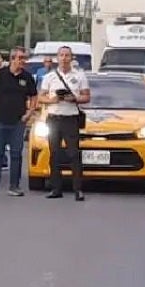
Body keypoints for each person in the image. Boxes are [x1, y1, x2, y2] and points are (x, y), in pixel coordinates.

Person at [0, 46, 37, 196]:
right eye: (20, 58)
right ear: (12, 59)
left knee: (16, 154)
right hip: (0, 120)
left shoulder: (27, 77)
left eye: (24, 58)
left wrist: (29, 113)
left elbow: (34, 97)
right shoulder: (0, 75)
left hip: (18, 121)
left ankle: (14, 186)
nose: (23, 61)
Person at [38, 45, 90, 201]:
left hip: (71, 118)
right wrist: (52, 100)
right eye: (61, 55)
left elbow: (86, 97)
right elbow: (41, 97)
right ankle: (56, 188)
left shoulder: (80, 76)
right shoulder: (49, 77)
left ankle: (78, 189)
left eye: (67, 55)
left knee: (73, 154)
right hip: (54, 117)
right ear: (57, 58)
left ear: (71, 58)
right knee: (54, 154)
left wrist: (74, 98)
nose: (64, 58)